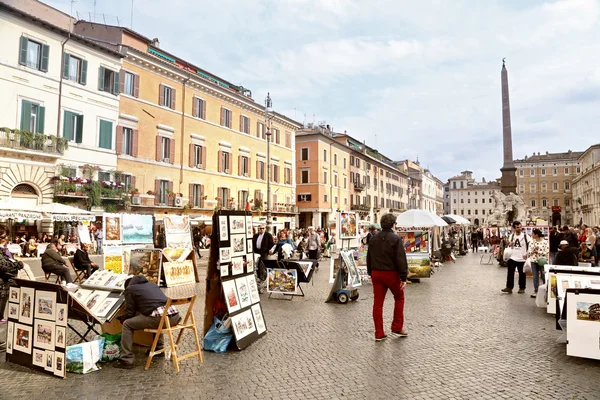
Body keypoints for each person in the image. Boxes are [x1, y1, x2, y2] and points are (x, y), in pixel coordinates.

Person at [114, 276, 181, 369]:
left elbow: (130, 312)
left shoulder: (130, 289)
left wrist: (123, 319)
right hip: (174, 317)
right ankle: (159, 348)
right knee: (156, 317)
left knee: (127, 324)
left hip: (162, 319)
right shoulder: (152, 285)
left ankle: (126, 360)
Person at [367, 213, 409, 341]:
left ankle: (379, 332)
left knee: (377, 303)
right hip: (391, 273)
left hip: (376, 273)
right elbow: (400, 258)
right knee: (399, 297)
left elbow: (369, 257)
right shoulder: (395, 239)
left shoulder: (373, 239)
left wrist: (370, 272)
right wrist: (403, 277)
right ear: (392, 224)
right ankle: (397, 326)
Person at [501, 221, 530, 294]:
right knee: (510, 273)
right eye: (517, 227)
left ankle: (522, 288)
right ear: (514, 228)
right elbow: (509, 244)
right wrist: (509, 243)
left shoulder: (525, 236)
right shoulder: (512, 235)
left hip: (522, 258)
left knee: (522, 274)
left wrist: (527, 253)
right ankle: (509, 287)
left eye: (520, 227)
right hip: (513, 257)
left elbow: (530, 244)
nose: (519, 229)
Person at [528, 229, 549, 298]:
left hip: (542, 261)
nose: (532, 235)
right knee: (535, 276)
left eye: (533, 234)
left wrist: (539, 252)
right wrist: (533, 251)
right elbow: (529, 252)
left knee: (543, 275)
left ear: (536, 234)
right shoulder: (531, 242)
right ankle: (536, 290)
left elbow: (547, 251)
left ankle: (546, 289)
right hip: (533, 261)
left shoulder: (544, 242)